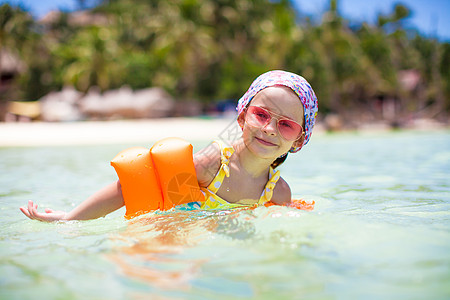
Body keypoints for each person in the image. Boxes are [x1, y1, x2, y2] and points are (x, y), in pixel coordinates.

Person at [20, 70, 318, 221]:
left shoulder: (278, 192)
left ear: (299, 140)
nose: (269, 129)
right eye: (261, 115)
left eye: (286, 125)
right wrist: (68, 219)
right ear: (241, 117)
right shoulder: (211, 165)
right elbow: (130, 187)